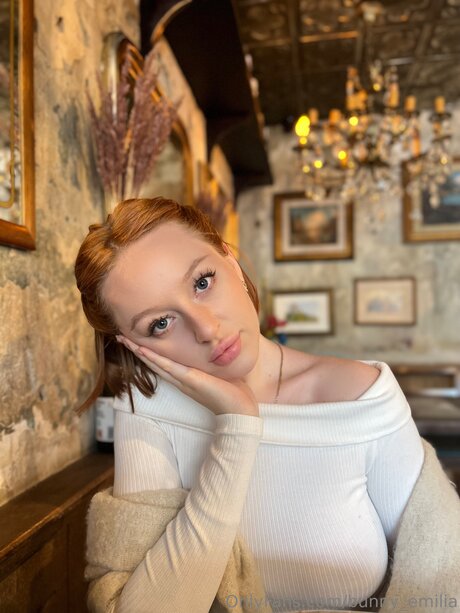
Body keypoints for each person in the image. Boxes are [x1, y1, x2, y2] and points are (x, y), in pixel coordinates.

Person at [74, 197, 431, 613]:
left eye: (202, 282)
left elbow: (435, 575)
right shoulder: (146, 412)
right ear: (132, 345)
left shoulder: (362, 396)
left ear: (230, 261)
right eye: (160, 324)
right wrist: (237, 429)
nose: (207, 329)